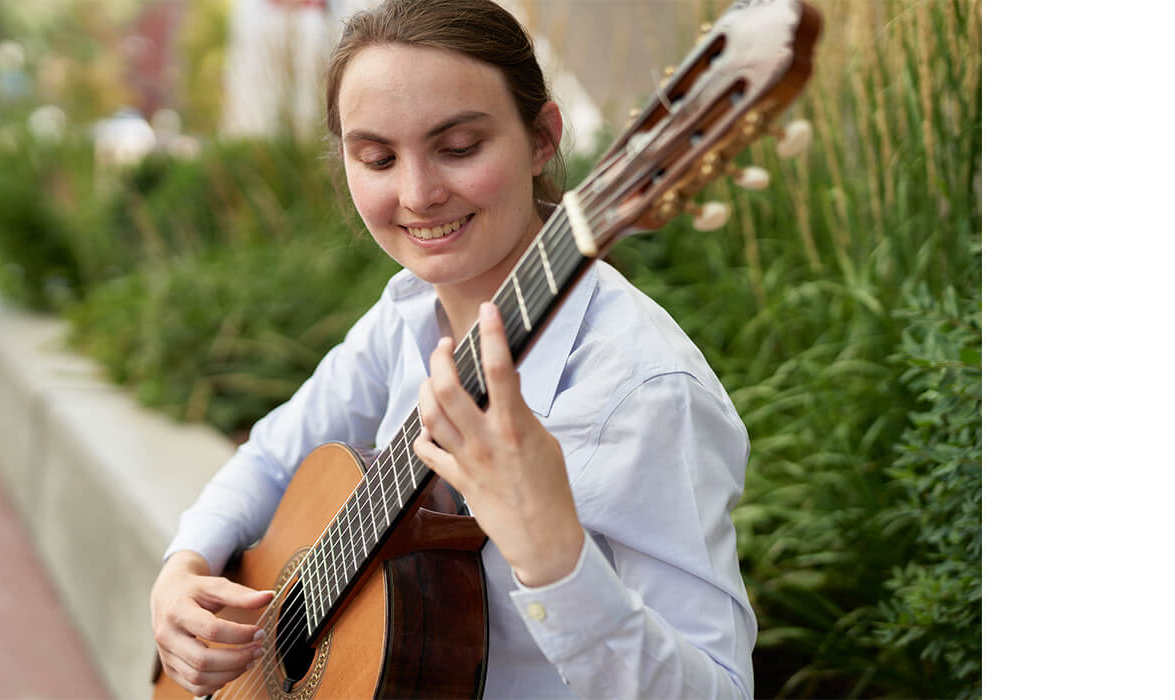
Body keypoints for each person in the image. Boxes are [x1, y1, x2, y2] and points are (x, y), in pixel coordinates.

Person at [149, 0, 758, 696]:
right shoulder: (405, 313)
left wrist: (554, 555)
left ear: (542, 139)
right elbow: (268, 457)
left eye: (459, 147)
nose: (417, 193)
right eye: (376, 157)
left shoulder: (643, 389)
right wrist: (184, 569)